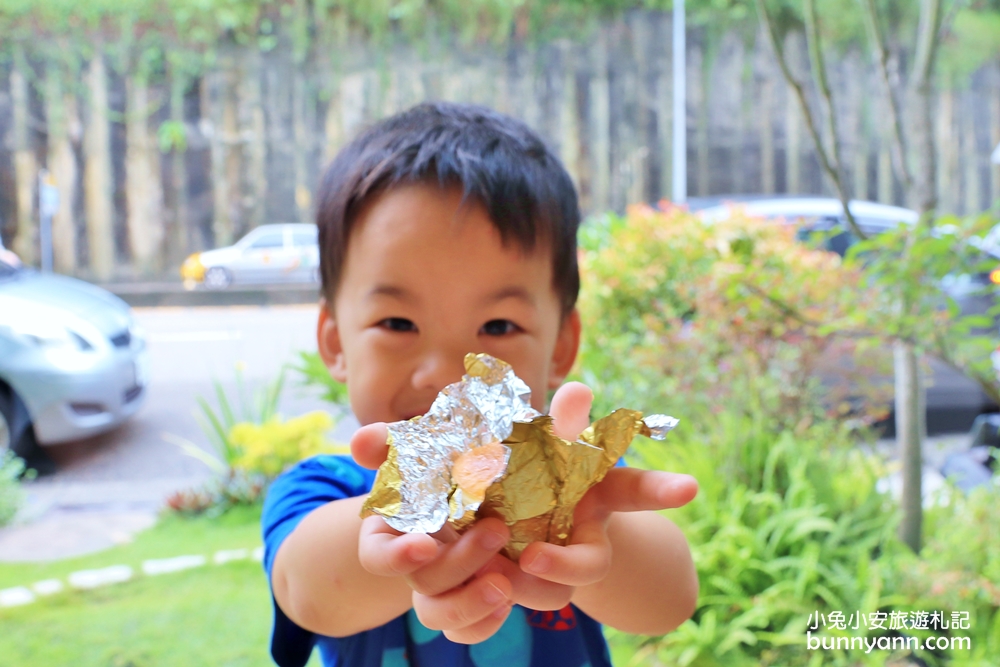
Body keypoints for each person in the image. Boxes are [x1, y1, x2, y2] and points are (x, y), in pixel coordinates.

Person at [262, 102, 699, 667]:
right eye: (399, 324)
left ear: (560, 346)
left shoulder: (573, 492)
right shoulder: (320, 491)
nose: (447, 378)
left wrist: (578, 525)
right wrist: (404, 516)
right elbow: (307, 596)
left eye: (497, 327)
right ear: (336, 342)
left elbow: (670, 601)